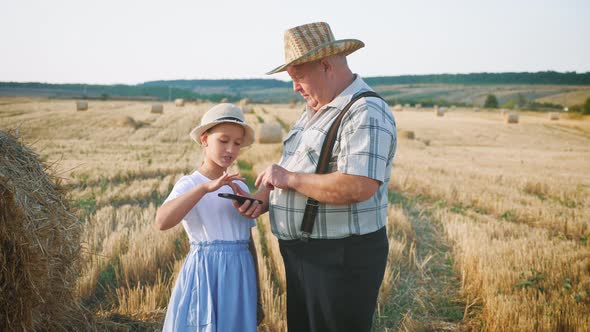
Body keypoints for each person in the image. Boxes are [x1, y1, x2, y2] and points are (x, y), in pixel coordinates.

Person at [232, 22, 397, 332]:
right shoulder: (317, 111)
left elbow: (357, 185)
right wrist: (264, 198)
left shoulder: (364, 111)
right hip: (310, 256)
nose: (294, 87)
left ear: (325, 66)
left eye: (298, 77)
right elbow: (298, 166)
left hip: (340, 259)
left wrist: (290, 180)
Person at [155, 103, 263, 332]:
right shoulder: (190, 183)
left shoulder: (240, 185)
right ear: (204, 139)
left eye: (237, 143)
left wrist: (258, 297)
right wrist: (204, 188)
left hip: (240, 276)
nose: (231, 150)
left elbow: (250, 242)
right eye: (223, 141)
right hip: (205, 274)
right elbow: (162, 221)